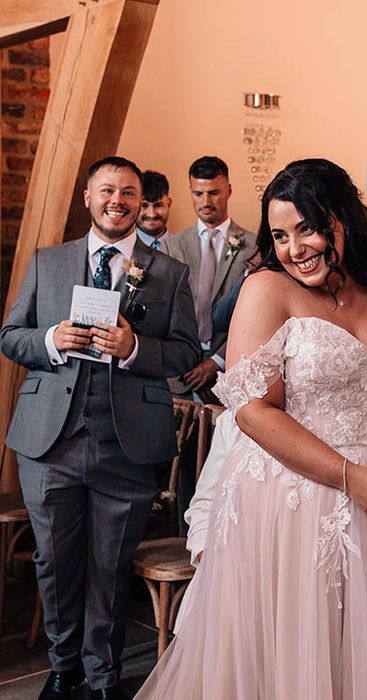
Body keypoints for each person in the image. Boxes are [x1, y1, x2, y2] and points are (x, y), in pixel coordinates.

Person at [135, 158, 367, 699]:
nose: (294, 248)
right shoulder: (267, 290)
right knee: (303, 654)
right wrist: (351, 478)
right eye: (279, 234)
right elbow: (254, 412)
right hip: (300, 497)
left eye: (307, 228)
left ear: (344, 219)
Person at [0, 156, 200, 700]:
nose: (118, 200)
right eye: (107, 190)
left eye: (129, 192)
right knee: (55, 562)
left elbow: (185, 350)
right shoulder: (48, 262)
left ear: (141, 202)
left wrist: (136, 347)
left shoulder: (169, 273)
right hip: (49, 442)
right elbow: (10, 335)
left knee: (111, 567)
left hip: (127, 444)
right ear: (88, 198)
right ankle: (64, 667)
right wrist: (49, 341)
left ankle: (105, 674)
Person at [161, 156, 258, 402]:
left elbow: (257, 317)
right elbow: (163, 313)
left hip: (231, 372)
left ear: (229, 190)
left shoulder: (255, 247)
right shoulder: (171, 247)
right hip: (178, 376)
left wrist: (217, 361)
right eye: (198, 193)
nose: (205, 202)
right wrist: (180, 359)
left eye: (214, 193)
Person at [136, 170, 172, 249]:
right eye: (144, 205)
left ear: (169, 204)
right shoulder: (122, 249)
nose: (151, 214)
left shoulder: (184, 248)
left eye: (158, 205)